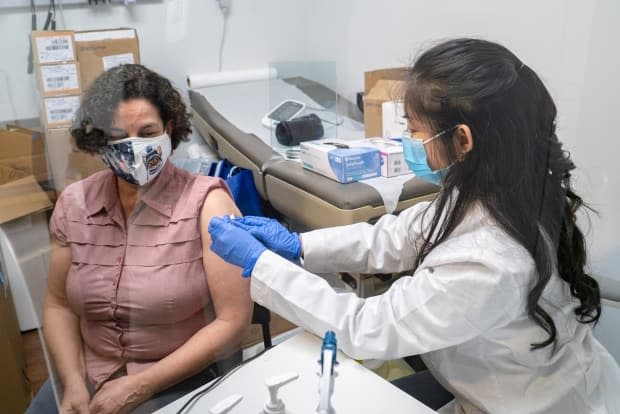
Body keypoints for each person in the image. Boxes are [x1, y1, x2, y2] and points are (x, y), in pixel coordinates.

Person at [207, 38, 620, 413]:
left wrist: (262, 264)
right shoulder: (495, 189)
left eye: (413, 128)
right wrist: (299, 247)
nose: (407, 139)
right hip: (501, 382)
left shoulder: (491, 263)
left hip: (533, 403)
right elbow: (398, 236)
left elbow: (367, 328)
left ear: (463, 139)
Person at [27, 64, 252, 414]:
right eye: (118, 136)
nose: (133, 148)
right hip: (89, 372)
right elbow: (58, 305)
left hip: (179, 376)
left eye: (147, 132)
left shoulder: (208, 204)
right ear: (100, 139)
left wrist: (139, 386)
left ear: (169, 129)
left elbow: (233, 322)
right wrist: (72, 382)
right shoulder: (74, 204)